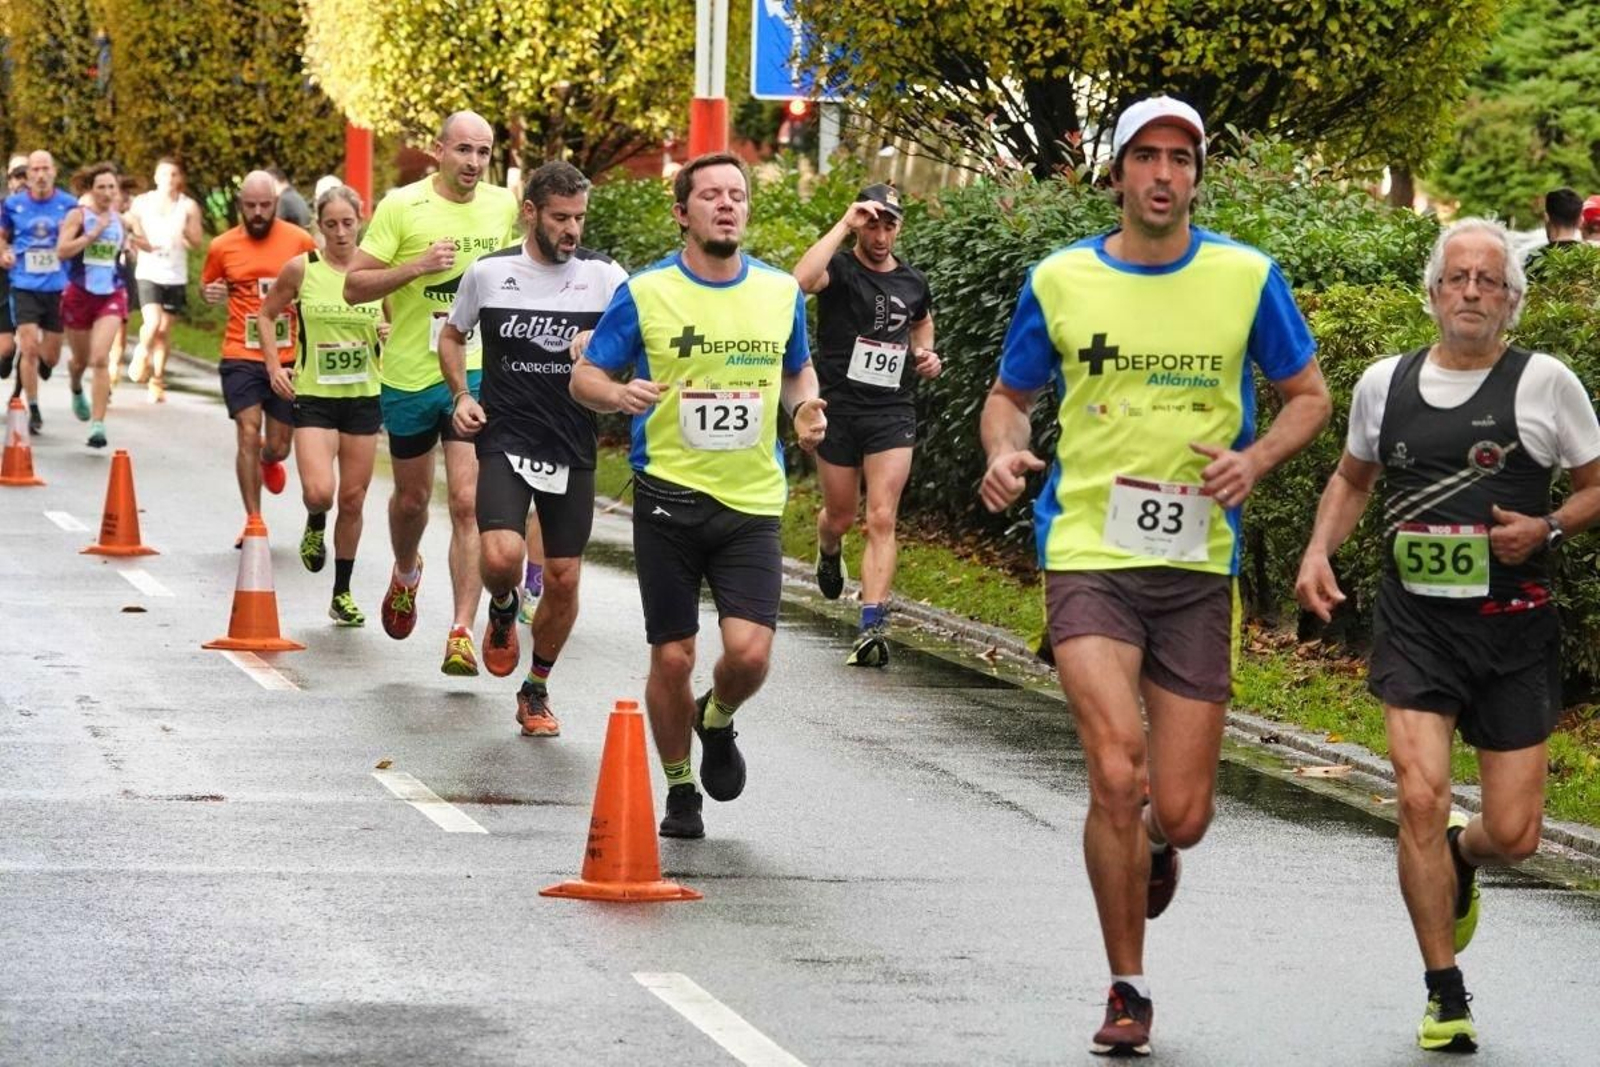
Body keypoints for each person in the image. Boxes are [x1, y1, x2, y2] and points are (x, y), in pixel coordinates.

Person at [977, 96, 1330, 1057]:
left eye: (1181, 158)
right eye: (1146, 156)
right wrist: (1006, 452)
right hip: (1088, 548)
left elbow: (1308, 397)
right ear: (1119, 172)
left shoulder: (1246, 276)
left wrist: (1255, 463)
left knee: (1182, 808)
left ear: (1197, 176)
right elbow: (1009, 398)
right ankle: (1128, 983)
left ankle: (1161, 844)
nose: (1164, 174)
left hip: (1194, 565)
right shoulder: (1060, 279)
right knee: (1114, 770)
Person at [1295, 218, 1600, 1053]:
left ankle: (1467, 858)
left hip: (1514, 629)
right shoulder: (1383, 383)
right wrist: (1319, 549)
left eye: (1488, 281)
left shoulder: (1546, 384)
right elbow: (1353, 475)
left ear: (1513, 302)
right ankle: (1443, 989)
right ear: (1431, 293)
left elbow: (1595, 486)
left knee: (1516, 833)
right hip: (1415, 624)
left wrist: (1547, 529)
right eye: (1456, 277)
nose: (1471, 291)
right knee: (1419, 795)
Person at [572, 151, 826, 840]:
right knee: (674, 656)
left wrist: (806, 409)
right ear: (683, 213)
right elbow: (586, 376)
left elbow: (798, 372)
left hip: (750, 503)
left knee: (748, 654)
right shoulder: (648, 292)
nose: (726, 204)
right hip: (669, 499)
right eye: (710, 194)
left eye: (736, 194)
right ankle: (680, 787)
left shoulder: (779, 294)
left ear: (747, 209)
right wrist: (617, 392)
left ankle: (716, 719)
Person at [443, 160, 627, 736]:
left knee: (565, 578)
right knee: (500, 556)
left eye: (579, 218)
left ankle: (537, 687)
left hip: (571, 441)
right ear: (530, 213)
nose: (572, 230)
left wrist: (603, 346)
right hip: (506, 434)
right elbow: (452, 334)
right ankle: (501, 610)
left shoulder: (606, 277)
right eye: (560, 218)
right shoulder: (490, 273)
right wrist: (459, 395)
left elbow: (637, 348)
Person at [344, 111, 519, 675]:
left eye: (483, 152)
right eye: (463, 150)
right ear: (439, 150)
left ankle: (461, 631)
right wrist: (417, 266)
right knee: (413, 501)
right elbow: (354, 286)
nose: (473, 163)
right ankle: (405, 570)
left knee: (467, 503)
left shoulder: (503, 207)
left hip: (474, 373)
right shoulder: (402, 206)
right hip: (410, 374)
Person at [792, 182, 939, 666]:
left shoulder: (913, 280)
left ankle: (872, 624)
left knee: (882, 517)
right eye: (871, 223)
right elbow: (801, 280)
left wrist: (925, 353)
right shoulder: (839, 267)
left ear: (899, 227)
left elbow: (921, 321)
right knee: (841, 516)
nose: (879, 234)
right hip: (838, 407)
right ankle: (828, 547)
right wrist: (842, 225)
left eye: (888, 224)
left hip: (892, 410)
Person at [255, 185, 385, 625]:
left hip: (365, 398)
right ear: (319, 226)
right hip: (314, 397)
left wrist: (388, 331)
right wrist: (276, 366)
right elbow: (266, 314)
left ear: (360, 220)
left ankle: (342, 593)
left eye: (348, 223)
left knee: (352, 500)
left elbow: (399, 317)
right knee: (321, 493)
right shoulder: (301, 268)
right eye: (331, 225)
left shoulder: (377, 271)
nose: (341, 232)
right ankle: (314, 521)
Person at [201, 171, 317, 533]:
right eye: (250, 205)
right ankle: (253, 520)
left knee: (280, 446)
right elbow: (209, 288)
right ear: (240, 205)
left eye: (264, 205)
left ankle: (270, 459)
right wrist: (211, 294)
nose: (257, 212)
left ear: (276, 205)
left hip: (286, 357)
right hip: (241, 354)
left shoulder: (299, 241)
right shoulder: (222, 246)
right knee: (247, 431)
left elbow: (320, 285)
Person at [0, 151, 78, 434]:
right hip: (23, 285)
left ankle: (42, 365)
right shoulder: (13, 205)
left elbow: (79, 239)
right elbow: (2, 235)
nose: (41, 175)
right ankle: (32, 407)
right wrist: (3, 254)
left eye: (46, 169)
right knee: (29, 346)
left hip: (57, 286)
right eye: (35, 170)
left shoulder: (69, 204)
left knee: (52, 356)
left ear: (54, 172)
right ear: (28, 174)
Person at [56, 162, 129, 449]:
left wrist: (129, 248)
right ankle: (75, 386)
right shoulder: (79, 215)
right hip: (79, 294)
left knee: (100, 359)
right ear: (91, 189)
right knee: (80, 360)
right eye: (101, 187)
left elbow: (117, 255)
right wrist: (90, 236)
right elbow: (61, 251)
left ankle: (98, 425)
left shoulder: (120, 220)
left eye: (112, 187)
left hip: (111, 294)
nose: (107, 192)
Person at [127, 157, 203, 403]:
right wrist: (139, 243)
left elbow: (197, 241)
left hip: (175, 272)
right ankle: (141, 353)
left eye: (174, 175)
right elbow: (129, 229)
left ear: (179, 178)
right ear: (155, 177)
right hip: (149, 270)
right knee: (153, 321)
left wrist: (185, 230)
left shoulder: (188, 206)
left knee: (164, 330)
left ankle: (157, 379)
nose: (169, 180)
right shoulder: (142, 203)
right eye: (164, 174)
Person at [0, 156, 28, 385]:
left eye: (27, 175)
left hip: (34, 285)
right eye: (18, 176)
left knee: (30, 345)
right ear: (10, 181)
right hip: (4, 284)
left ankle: (19, 398)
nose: (24, 181)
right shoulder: (3, 208)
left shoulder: (48, 210)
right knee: (6, 347)